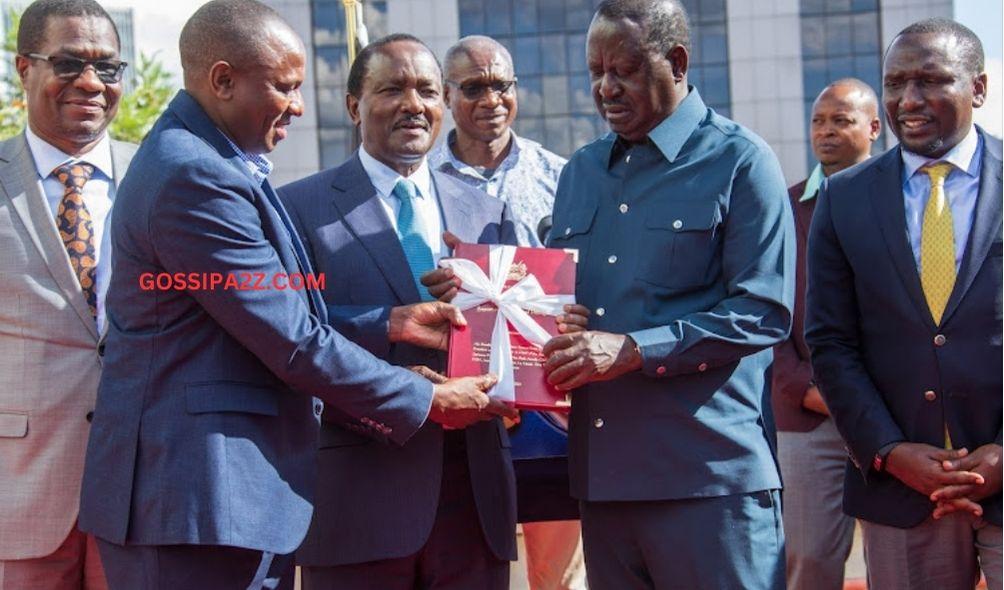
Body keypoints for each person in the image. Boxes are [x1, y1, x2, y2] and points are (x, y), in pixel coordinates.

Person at [76, 3, 511, 589]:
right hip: (194, 505)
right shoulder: (195, 177)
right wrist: (424, 397)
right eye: (284, 86)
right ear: (223, 80)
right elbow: (293, 340)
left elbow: (278, 317)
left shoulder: (210, 166)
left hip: (225, 502)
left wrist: (392, 325)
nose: (299, 105)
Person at [278, 33, 548, 590]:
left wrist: (539, 356)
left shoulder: (486, 212)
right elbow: (285, 332)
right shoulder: (297, 209)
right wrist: (389, 322)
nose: (413, 104)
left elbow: (519, 331)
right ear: (354, 106)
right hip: (360, 496)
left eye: (426, 90)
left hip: (474, 501)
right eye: (392, 89)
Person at [541, 1, 795, 588]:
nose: (605, 88)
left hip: (708, 481)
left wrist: (635, 348)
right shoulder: (579, 172)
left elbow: (763, 311)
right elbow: (556, 302)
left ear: (676, 62)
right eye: (595, 71)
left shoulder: (741, 161)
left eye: (623, 69)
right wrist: (506, 307)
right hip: (604, 483)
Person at [806, 18, 1001, 590]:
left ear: (979, 89)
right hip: (900, 489)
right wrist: (888, 451)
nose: (908, 101)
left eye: (930, 81)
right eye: (895, 84)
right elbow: (830, 341)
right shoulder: (844, 199)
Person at [427, 34, 586, 590]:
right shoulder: (419, 186)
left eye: (502, 85)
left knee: (554, 576)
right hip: (462, 410)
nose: (490, 99)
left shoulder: (562, 176)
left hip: (552, 410)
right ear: (448, 96)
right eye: (473, 87)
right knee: (471, 568)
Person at [0, 1, 135, 588]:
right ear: (23, 68)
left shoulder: (164, 178)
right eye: (70, 63)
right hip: (18, 488)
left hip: (141, 492)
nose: (90, 82)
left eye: (107, 69)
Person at [772, 78, 880, 590]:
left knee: (901, 561)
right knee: (808, 562)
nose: (827, 131)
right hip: (810, 420)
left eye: (842, 120)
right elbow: (764, 316)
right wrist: (806, 391)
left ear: (874, 128)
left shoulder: (903, 203)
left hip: (896, 419)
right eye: (819, 121)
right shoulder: (783, 211)